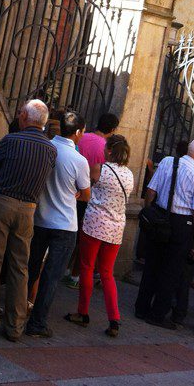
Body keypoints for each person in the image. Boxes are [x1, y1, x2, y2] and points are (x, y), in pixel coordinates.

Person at [0, 99, 56, 342]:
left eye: (20, 113)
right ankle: (15, 326)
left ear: (25, 118)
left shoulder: (12, 140)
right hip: (28, 209)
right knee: (20, 266)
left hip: (3, 202)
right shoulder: (51, 148)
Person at [25, 110, 91, 338]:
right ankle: (37, 322)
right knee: (51, 276)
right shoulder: (78, 160)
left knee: (31, 269)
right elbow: (86, 194)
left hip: (39, 218)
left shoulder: (46, 147)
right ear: (79, 132)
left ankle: (18, 311)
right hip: (64, 224)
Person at [135, 137, 194, 329]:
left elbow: (150, 191)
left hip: (160, 216)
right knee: (171, 271)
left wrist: (151, 214)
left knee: (152, 265)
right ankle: (158, 314)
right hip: (181, 224)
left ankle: (141, 308)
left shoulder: (168, 162)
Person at [65, 134, 133, 337]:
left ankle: (82, 312)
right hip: (116, 228)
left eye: (105, 148)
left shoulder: (100, 169)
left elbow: (86, 189)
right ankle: (114, 319)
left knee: (86, 267)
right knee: (107, 273)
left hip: (94, 224)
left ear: (110, 150)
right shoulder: (129, 174)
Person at [65, 112, 120, 288]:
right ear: (112, 129)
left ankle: (63, 267)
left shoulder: (81, 137)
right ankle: (74, 275)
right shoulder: (106, 149)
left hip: (69, 189)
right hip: (89, 196)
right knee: (83, 239)